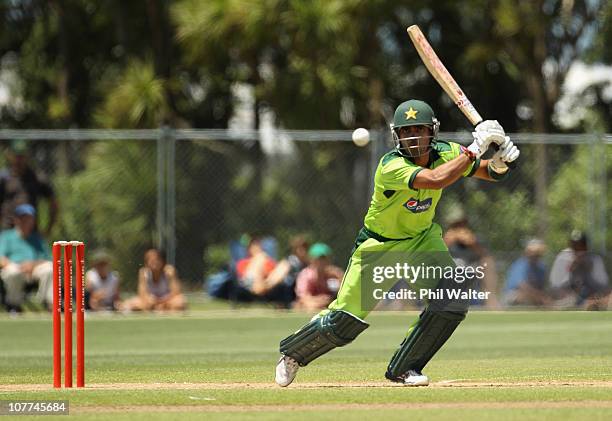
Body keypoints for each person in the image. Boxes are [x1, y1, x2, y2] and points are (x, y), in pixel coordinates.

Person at [275, 99, 520, 387]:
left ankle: (406, 368)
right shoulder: (391, 166)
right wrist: (475, 148)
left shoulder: (448, 153)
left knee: (452, 297)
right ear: (397, 136)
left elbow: (486, 172)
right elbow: (435, 179)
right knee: (345, 320)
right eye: (406, 132)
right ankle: (293, 353)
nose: (413, 138)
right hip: (380, 246)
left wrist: (501, 162)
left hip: (421, 241)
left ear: (432, 132)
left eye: (419, 130)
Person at [443, 207, 501, 309]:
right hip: (447, 268)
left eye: (462, 224)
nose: (460, 228)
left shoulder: (472, 239)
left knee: (487, 262)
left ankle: (491, 301)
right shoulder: (443, 238)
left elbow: (485, 255)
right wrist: (447, 243)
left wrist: (472, 244)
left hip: (469, 268)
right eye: (456, 225)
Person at [0, 204, 53, 312]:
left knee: (50, 268)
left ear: (33, 220)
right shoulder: (6, 236)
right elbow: (1, 258)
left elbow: (48, 259)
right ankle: (13, 305)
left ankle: (48, 303)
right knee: (13, 271)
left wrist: (32, 265)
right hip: (14, 267)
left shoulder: (38, 238)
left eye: (29, 218)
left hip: (34, 269)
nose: (26, 221)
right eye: (22, 218)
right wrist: (18, 266)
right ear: (16, 220)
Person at [0, 140, 58, 236]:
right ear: (10, 156)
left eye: (22, 156)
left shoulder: (37, 178)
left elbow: (53, 203)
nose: (19, 160)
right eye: (16, 156)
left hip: (31, 233)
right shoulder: (3, 178)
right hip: (8, 231)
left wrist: (49, 229)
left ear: (27, 156)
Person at [549, 230, 610, 310]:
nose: (578, 249)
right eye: (574, 246)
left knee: (607, 299)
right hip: (569, 298)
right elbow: (555, 285)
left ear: (586, 246)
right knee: (568, 301)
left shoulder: (595, 259)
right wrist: (569, 271)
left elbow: (603, 285)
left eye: (581, 246)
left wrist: (589, 271)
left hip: (592, 297)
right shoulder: (562, 258)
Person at [294, 243, 343, 311]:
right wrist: (320, 300)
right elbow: (303, 298)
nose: (321, 262)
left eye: (324, 259)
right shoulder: (306, 275)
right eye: (318, 259)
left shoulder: (334, 275)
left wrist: (340, 276)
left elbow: (345, 293)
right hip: (311, 305)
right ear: (311, 260)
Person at [503, 238, 550, 307]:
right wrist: (541, 298)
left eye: (538, 252)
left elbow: (542, 287)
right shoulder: (521, 264)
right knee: (523, 295)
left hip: (533, 297)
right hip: (512, 296)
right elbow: (523, 287)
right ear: (527, 252)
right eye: (533, 252)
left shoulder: (541, 267)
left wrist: (545, 297)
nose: (535, 255)